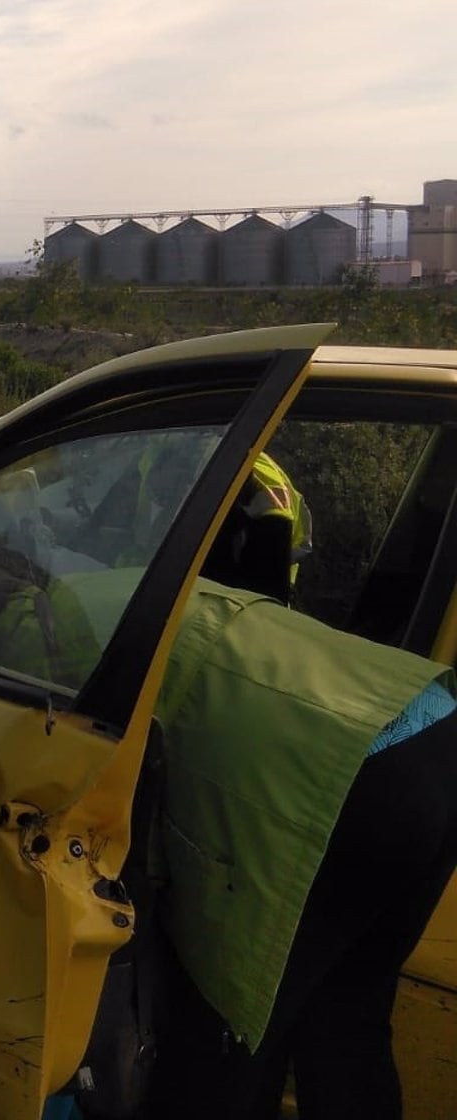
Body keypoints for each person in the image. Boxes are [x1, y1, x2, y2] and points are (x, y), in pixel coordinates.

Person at [143, 459, 457, 1119]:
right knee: (347, 1016)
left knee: (232, 1020)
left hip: (351, 769)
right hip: (433, 727)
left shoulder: (77, 626)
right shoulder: (232, 485)